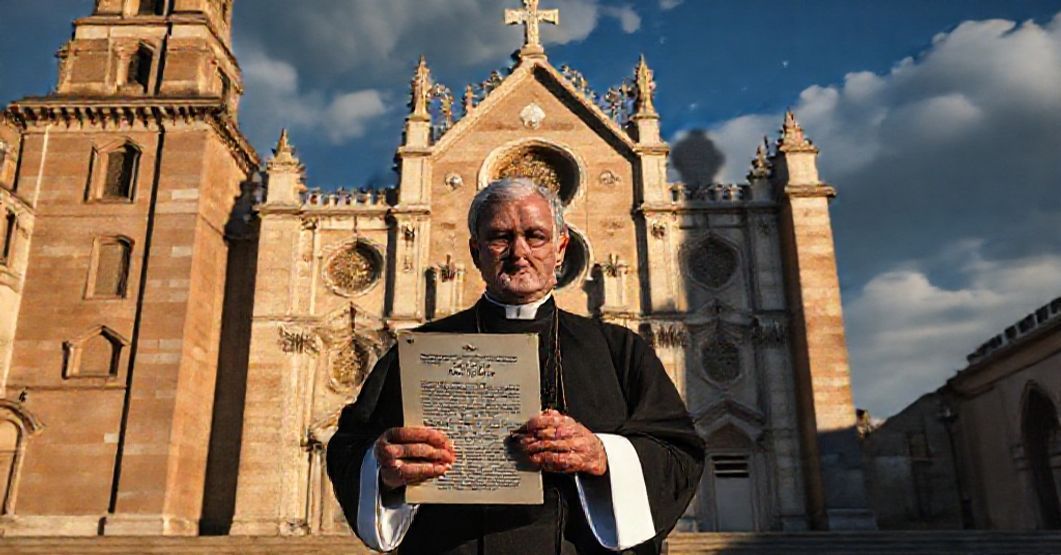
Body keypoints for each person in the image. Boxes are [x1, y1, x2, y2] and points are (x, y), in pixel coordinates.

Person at [327, 178, 704, 554]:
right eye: (500, 237)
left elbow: (679, 454)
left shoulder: (620, 350)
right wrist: (384, 468)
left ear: (561, 248)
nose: (518, 252)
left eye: (535, 236)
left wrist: (602, 455)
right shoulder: (415, 352)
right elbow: (350, 448)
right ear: (476, 252)